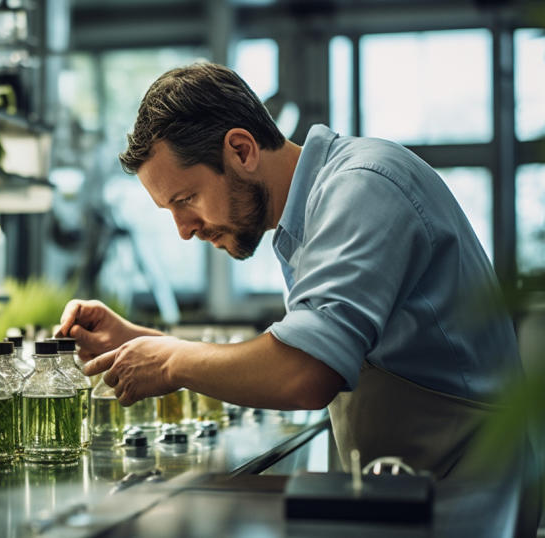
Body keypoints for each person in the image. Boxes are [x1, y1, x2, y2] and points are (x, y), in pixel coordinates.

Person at [58, 62, 538, 534]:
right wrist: (142, 343)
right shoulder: (311, 213)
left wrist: (168, 362)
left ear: (241, 150)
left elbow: (304, 373)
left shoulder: (362, 186)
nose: (184, 230)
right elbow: (292, 353)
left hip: (467, 501)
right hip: (415, 488)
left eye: (185, 200)